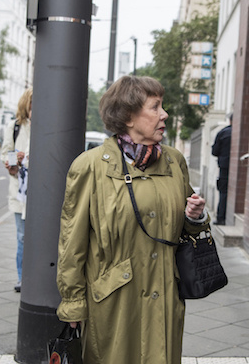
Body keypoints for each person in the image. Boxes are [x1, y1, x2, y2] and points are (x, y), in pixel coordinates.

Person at [56, 75, 208, 364]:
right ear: (128, 116)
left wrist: (196, 217)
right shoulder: (90, 166)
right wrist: (73, 302)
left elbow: (186, 228)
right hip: (113, 302)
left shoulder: (174, 162)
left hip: (164, 298)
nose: (164, 114)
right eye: (155, 107)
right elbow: (71, 243)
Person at [1, 88, 32, 292]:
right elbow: (6, 153)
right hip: (20, 192)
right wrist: (13, 161)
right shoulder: (15, 127)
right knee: (22, 237)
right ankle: (23, 278)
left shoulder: (46, 125)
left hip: (41, 192)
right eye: (32, 104)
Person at [211, 112, 232, 225]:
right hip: (240, 168)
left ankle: (221, 218)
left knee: (223, 193)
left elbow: (214, 151)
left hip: (224, 167)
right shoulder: (244, 132)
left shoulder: (223, 133)